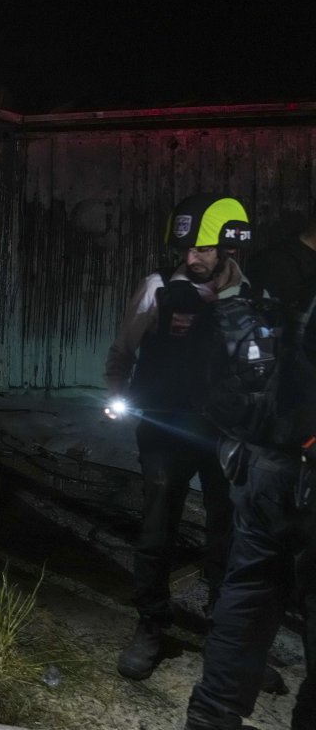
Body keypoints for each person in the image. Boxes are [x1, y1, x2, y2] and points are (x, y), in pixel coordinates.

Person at [104, 194, 251, 681]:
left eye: (204, 248)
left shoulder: (246, 291)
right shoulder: (158, 289)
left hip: (224, 434)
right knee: (155, 530)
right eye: (186, 248)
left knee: (226, 533)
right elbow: (124, 349)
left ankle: (223, 636)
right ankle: (150, 626)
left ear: (226, 248)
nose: (193, 257)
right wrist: (117, 396)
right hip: (165, 428)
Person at [185, 218, 316, 730]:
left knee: (247, 593)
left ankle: (212, 717)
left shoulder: (267, 268)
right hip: (300, 469)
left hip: (262, 463)